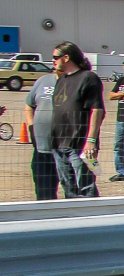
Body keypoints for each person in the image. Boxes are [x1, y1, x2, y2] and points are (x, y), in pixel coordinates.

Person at [28, 41, 106, 199]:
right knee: (68, 188)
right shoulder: (62, 80)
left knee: (85, 187)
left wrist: (91, 140)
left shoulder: (88, 78)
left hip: (79, 145)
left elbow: (97, 110)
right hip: (59, 144)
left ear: (66, 57)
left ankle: (90, 214)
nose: (53, 61)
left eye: (55, 57)